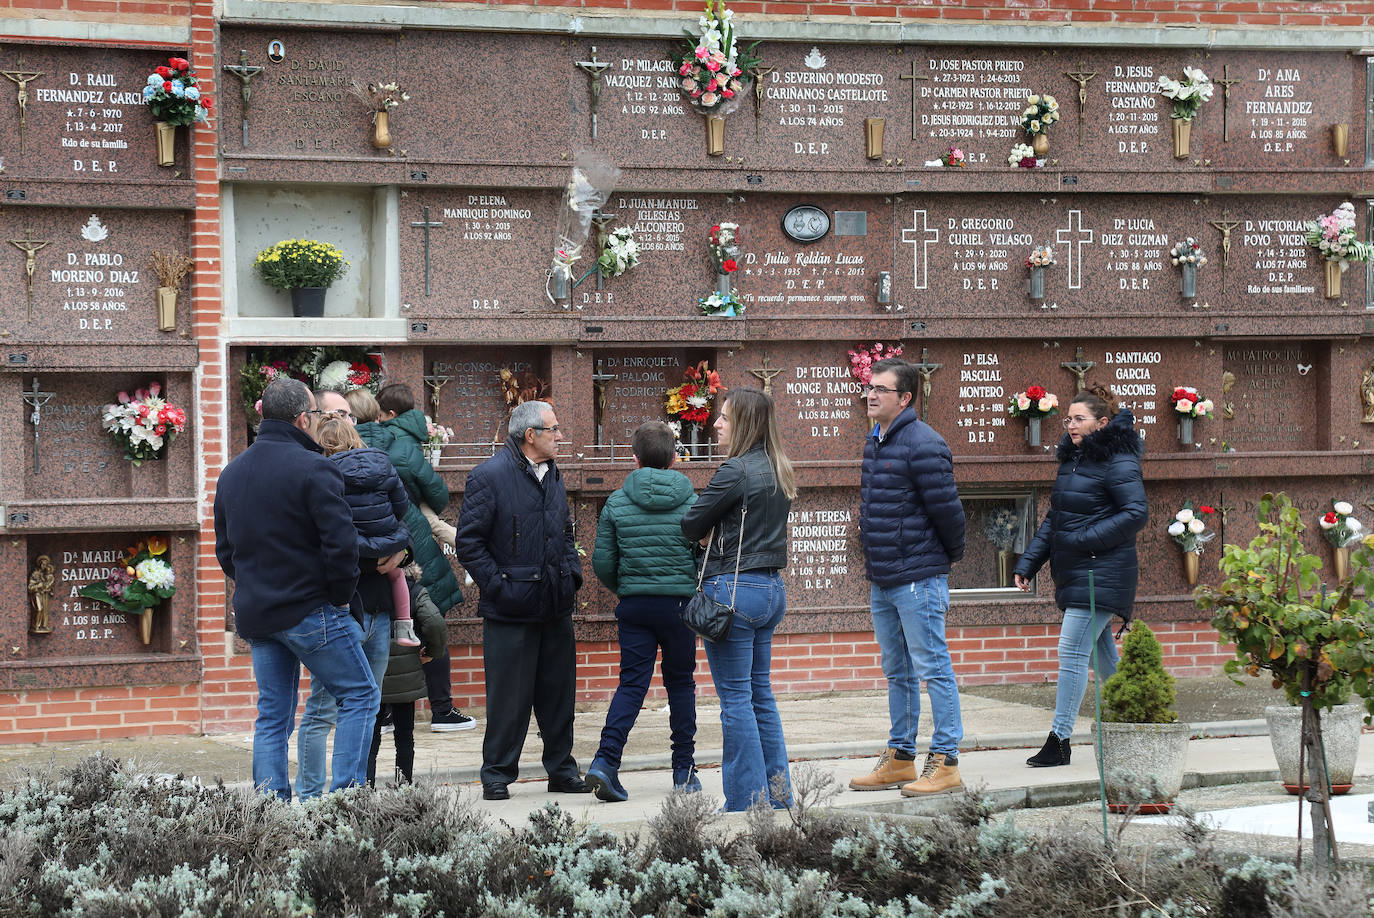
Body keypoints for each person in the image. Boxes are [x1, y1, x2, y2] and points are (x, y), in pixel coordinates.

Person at [213, 377, 378, 800]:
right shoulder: (315, 467)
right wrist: (339, 597)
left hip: (258, 612)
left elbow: (226, 552)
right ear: (304, 419)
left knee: (272, 717)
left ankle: (269, 815)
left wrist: (256, 584)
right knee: (359, 695)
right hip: (311, 610)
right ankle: (343, 803)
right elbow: (341, 546)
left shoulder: (232, 473)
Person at [455, 399, 588, 801]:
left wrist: (572, 574)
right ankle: (496, 774)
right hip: (511, 610)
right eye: (554, 429)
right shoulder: (489, 476)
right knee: (508, 699)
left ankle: (562, 770)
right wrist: (499, 586)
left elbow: (564, 532)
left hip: (554, 603)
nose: (561, 436)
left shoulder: (554, 474)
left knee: (559, 696)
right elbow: (469, 543)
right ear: (530, 435)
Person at [849, 357, 967, 797]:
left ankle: (946, 760)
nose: (871, 395)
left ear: (905, 398)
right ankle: (901, 757)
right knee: (896, 670)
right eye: (869, 387)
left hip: (918, 577)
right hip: (883, 578)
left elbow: (950, 515)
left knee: (933, 667)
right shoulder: (876, 440)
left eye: (881, 389)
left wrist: (941, 560)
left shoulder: (924, 443)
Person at [1014, 384, 1147, 767]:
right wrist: (1029, 561)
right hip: (1079, 571)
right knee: (1105, 660)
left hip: (1102, 571)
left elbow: (1136, 513)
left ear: (1102, 423)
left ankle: (1060, 740)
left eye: (1079, 419)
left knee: (1071, 651)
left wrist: (1084, 540)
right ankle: (1139, 721)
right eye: (1068, 418)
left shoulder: (1118, 461)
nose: (1070, 425)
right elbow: (1057, 520)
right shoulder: (1073, 461)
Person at [680, 387, 796, 812]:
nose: (716, 424)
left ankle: (747, 802)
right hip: (770, 591)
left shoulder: (735, 471)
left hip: (732, 591)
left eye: (725, 418)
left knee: (735, 701)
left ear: (743, 423)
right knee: (759, 694)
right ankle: (779, 796)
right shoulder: (779, 467)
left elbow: (691, 524)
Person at [295, 415, 410, 799]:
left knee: (326, 708)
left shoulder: (320, 477)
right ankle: (352, 792)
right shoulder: (382, 466)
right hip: (375, 603)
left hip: (343, 606)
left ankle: (314, 795)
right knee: (365, 704)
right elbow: (403, 513)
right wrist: (398, 548)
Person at [585, 421, 701, 803]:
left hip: (635, 606)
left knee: (632, 684)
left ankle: (605, 761)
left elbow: (603, 562)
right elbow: (702, 551)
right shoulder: (691, 499)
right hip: (680, 606)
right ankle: (684, 770)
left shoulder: (617, 501)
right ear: (673, 457)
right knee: (681, 684)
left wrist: (628, 589)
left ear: (633, 458)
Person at [352, 385, 474, 733]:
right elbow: (435, 491)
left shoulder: (339, 448)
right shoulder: (402, 445)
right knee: (429, 621)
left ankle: (384, 714)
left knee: (382, 630)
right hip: (413, 541)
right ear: (378, 413)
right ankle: (442, 709)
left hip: (367, 550)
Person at [368, 565, 450, 787]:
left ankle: (364, 790)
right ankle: (403, 788)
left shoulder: (370, 586)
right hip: (406, 676)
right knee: (405, 738)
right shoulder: (415, 590)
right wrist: (433, 652)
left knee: (370, 739)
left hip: (374, 671)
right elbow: (435, 622)